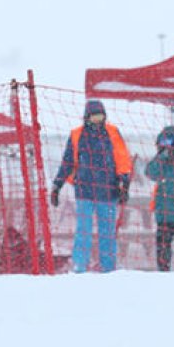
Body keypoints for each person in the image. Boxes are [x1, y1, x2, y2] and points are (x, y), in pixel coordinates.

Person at [50, 100, 132, 273]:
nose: (97, 119)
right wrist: (57, 185)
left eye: (100, 115)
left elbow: (122, 158)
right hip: (84, 191)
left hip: (109, 191)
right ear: (87, 116)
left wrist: (125, 183)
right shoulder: (76, 134)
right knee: (83, 231)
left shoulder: (113, 132)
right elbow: (68, 162)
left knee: (107, 233)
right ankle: (80, 267)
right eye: (94, 116)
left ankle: (108, 268)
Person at [144, 125, 174, 271]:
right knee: (163, 257)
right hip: (164, 216)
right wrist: (161, 157)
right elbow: (150, 173)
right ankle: (163, 279)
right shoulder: (160, 162)